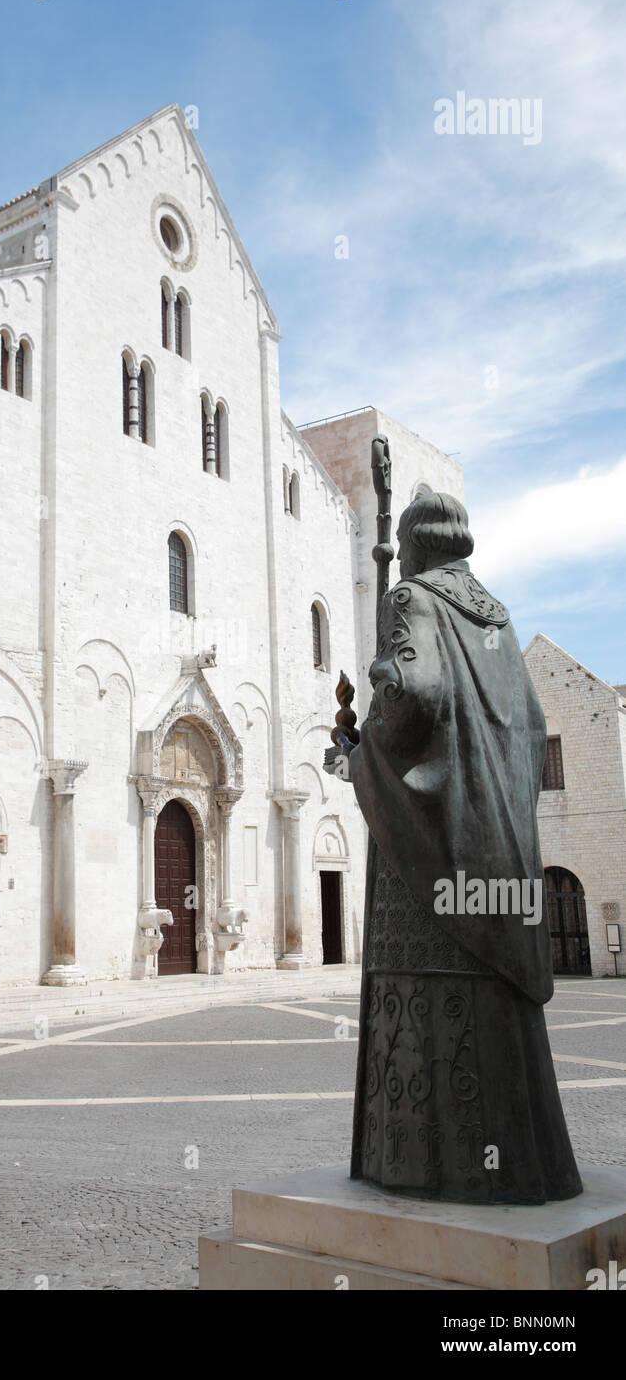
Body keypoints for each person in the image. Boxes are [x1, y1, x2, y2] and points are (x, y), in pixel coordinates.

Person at [331, 492, 582, 1204]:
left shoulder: (410, 599)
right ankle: (523, 1170)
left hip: (430, 870)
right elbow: (530, 728)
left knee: (433, 1014)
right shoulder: (495, 614)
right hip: (497, 848)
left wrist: (363, 743)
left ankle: (428, 1172)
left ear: (412, 545)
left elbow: (416, 697)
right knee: (500, 1024)